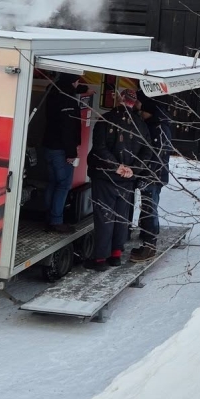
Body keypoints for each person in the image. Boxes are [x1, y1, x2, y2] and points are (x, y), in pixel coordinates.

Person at [85, 86, 151, 270]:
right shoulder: (141, 124)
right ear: (133, 102)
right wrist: (133, 170)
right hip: (127, 181)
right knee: (122, 217)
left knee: (104, 216)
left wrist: (116, 167)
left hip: (105, 176)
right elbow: (147, 152)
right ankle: (116, 255)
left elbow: (100, 148)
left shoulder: (106, 120)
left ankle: (99, 260)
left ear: (120, 99)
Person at [40, 73, 84, 233]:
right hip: (61, 149)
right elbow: (67, 128)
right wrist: (71, 152)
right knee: (63, 184)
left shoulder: (53, 92)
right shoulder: (68, 99)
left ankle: (49, 218)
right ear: (73, 81)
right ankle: (56, 221)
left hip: (48, 146)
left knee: (53, 183)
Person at [133, 92, 173, 262]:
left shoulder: (157, 128)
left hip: (153, 176)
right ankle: (146, 237)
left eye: (142, 108)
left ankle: (149, 246)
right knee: (148, 207)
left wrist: (147, 176)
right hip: (156, 174)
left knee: (149, 208)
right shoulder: (157, 123)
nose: (139, 111)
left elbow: (157, 156)